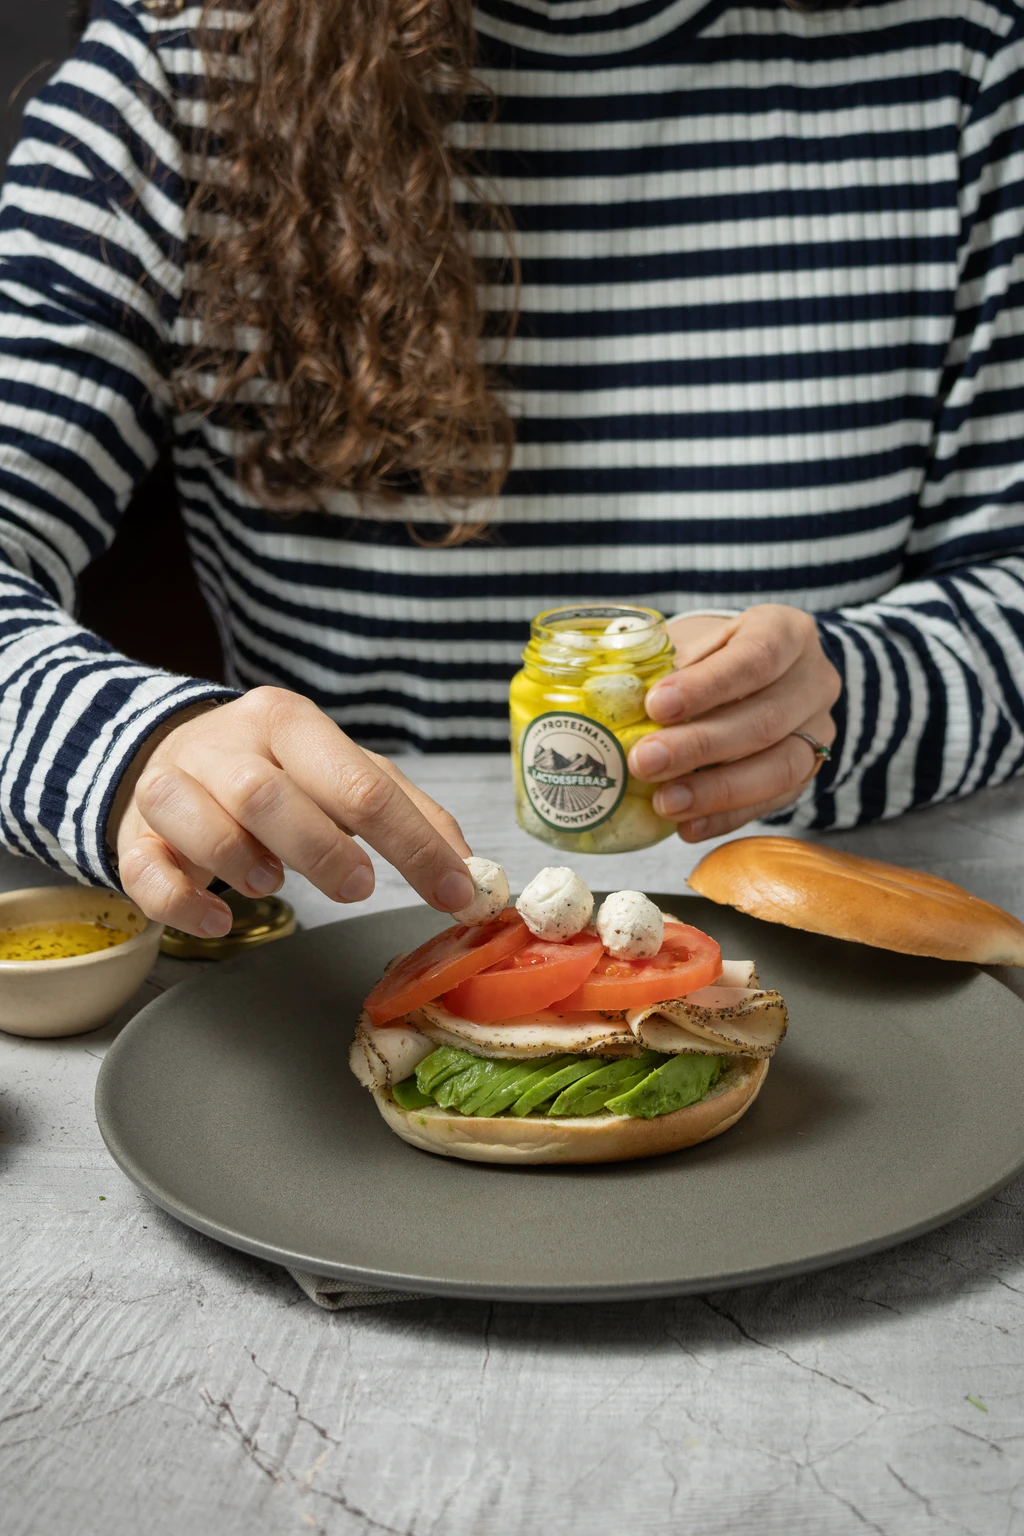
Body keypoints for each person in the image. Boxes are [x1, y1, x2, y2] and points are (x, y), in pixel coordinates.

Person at [1, 0, 1022, 938]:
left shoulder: (969, 66)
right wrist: (135, 747)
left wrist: (844, 698)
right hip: (331, 950)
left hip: (842, 946)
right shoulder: (177, 76)